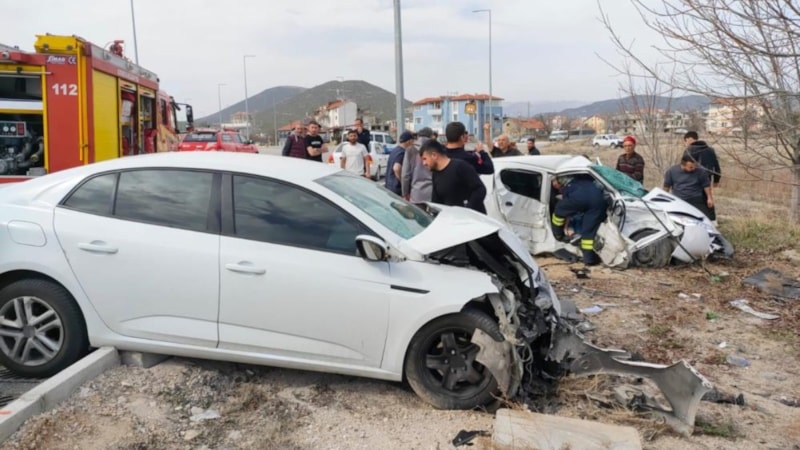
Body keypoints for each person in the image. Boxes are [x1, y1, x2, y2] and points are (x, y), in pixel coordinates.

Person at [551, 175, 607, 266]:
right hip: (598, 201)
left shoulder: (567, 187)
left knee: (559, 210)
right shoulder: (584, 179)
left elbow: (566, 212)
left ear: (559, 183)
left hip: (582, 199)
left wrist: (564, 228)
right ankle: (589, 260)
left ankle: (557, 233)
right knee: (588, 232)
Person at [420, 139, 487, 214]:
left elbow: (480, 189)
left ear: (434, 155)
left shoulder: (460, 167)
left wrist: (468, 209)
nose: (424, 163)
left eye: (425, 159)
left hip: (472, 220)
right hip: (452, 220)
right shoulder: (435, 174)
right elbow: (437, 202)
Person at [684, 131, 720, 223]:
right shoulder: (710, 149)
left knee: (693, 199)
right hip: (707, 178)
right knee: (708, 198)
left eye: (686, 141)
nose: (686, 143)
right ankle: (712, 220)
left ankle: (694, 219)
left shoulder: (689, 150)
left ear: (689, 139)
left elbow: (685, 166)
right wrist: (716, 179)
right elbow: (716, 165)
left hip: (693, 178)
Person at [663, 154, 714, 219]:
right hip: (679, 199)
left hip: (695, 198)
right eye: (691, 167)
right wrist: (665, 198)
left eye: (695, 166)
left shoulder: (701, 171)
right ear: (683, 165)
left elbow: (706, 185)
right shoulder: (672, 171)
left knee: (702, 218)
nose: (694, 168)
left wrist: (709, 198)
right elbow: (666, 186)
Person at [401, 127, 434, 206]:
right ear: (431, 136)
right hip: (432, 194)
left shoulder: (410, 150)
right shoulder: (435, 149)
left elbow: (405, 175)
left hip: (416, 194)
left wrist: (405, 193)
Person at [385, 131, 415, 195]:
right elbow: (396, 168)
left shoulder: (394, 150)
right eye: (413, 141)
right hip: (396, 188)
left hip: (389, 186)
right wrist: (402, 181)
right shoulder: (402, 153)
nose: (413, 144)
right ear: (409, 141)